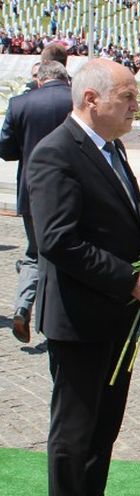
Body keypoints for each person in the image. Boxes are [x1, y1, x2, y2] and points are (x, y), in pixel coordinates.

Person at [25, 59, 140, 496]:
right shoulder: (57, 153)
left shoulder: (110, 148)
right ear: (92, 100)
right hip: (80, 316)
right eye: (127, 97)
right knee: (75, 427)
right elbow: (58, 239)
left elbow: (113, 217)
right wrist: (127, 278)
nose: (136, 106)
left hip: (117, 316)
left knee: (105, 423)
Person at [0, 61, 72, 344]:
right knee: (69, 250)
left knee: (34, 251)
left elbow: (5, 149)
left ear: (40, 81)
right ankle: (60, 315)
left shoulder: (20, 103)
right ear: (65, 78)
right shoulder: (77, 100)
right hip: (72, 190)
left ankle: (23, 307)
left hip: (32, 191)